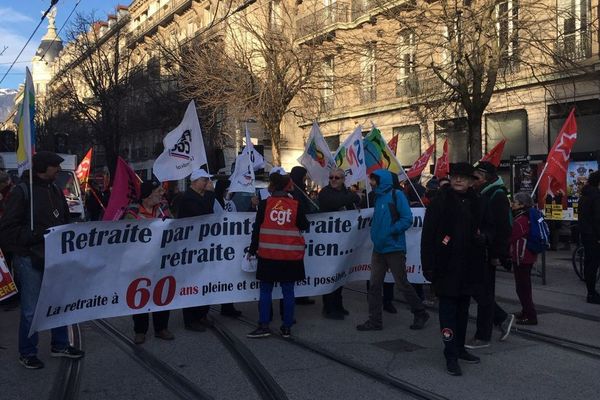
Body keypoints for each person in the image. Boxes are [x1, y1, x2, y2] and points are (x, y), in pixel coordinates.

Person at [0, 151, 84, 369]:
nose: (58, 169)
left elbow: (63, 218)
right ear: (42, 168)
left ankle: (60, 344)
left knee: (59, 304)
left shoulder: (55, 189)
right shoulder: (22, 191)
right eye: (54, 166)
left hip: (55, 256)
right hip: (30, 259)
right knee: (31, 309)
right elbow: (7, 230)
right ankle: (27, 351)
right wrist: (37, 236)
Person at [421, 162, 485, 376]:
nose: (458, 180)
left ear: (470, 181)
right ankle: (450, 354)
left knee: (463, 310)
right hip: (446, 266)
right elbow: (428, 236)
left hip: (469, 266)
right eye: (455, 176)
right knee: (448, 312)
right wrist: (428, 265)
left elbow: (489, 228)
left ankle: (459, 348)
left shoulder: (477, 202)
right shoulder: (439, 202)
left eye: (463, 177)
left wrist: (484, 239)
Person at [357, 169, 429, 331]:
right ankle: (375, 321)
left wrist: (390, 231)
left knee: (402, 283)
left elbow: (407, 219)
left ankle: (420, 312)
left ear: (383, 181)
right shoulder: (378, 196)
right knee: (374, 285)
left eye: (374, 180)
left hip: (394, 247)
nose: (371, 182)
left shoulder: (397, 195)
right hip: (379, 248)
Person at [246, 172, 309, 338]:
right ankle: (287, 327)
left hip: (268, 255)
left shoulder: (265, 204)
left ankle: (264, 325)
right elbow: (304, 225)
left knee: (265, 290)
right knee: (288, 291)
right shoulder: (295, 204)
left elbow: (257, 229)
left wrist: (252, 250)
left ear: (271, 187)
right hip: (290, 256)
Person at [179, 169, 242, 330]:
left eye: (207, 180)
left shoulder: (208, 196)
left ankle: (202, 314)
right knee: (192, 283)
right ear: (194, 181)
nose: (207, 183)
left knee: (206, 281)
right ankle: (191, 319)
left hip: (207, 246)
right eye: (204, 180)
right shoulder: (186, 198)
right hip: (192, 247)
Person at [466, 162, 514, 349]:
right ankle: (502, 317)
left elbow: (503, 229)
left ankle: (483, 336)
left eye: (476, 178)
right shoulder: (481, 194)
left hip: (488, 253)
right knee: (478, 291)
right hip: (477, 251)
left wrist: (498, 254)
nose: (473, 181)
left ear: (487, 178)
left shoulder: (497, 196)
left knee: (483, 294)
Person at [123, 179, 174, 344]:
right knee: (140, 294)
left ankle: (161, 328)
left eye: (161, 191)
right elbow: (127, 234)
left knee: (162, 292)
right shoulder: (132, 212)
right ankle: (140, 330)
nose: (162, 193)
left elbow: (174, 227)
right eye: (158, 191)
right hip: (140, 261)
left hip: (160, 258)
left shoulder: (163, 209)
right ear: (147, 195)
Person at [318, 168, 361, 319]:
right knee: (330, 274)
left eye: (337, 177)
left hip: (344, 240)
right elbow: (334, 202)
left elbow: (355, 205)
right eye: (331, 177)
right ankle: (329, 308)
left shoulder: (347, 193)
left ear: (343, 179)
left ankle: (338, 304)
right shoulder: (325, 192)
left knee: (341, 274)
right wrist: (353, 197)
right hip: (329, 241)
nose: (333, 180)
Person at [509, 192, 538, 323]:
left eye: (514, 202)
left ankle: (530, 315)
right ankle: (526, 311)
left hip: (521, 256)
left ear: (521, 204)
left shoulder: (520, 220)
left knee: (522, 287)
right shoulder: (529, 217)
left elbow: (511, 237)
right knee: (524, 285)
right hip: (529, 255)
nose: (512, 204)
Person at [578, 170, 600, 304]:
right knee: (593, 264)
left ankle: (590, 291)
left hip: (586, 234)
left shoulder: (585, 195)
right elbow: (598, 218)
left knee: (589, 263)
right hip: (594, 235)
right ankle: (592, 294)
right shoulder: (596, 196)